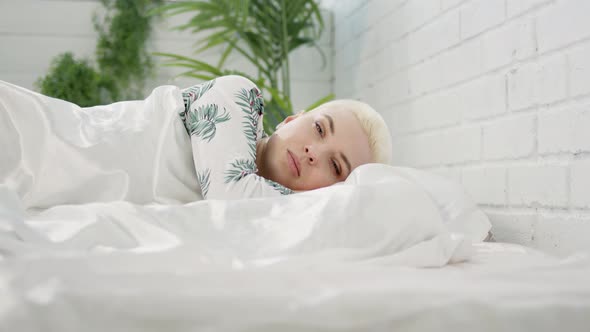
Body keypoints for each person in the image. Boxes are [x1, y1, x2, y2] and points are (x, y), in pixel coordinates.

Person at [181, 75, 393, 200]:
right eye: (319, 128)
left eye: (335, 166)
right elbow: (228, 202)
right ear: (291, 119)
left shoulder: (267, 229)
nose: (314, 153)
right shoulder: (241, 97)